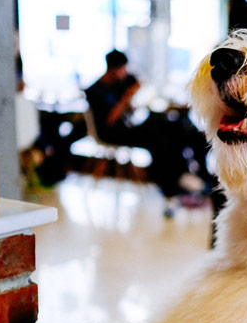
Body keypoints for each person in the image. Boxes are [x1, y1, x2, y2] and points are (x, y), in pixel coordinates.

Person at [85, 50, 221, 210]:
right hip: (112, 134)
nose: (125, 72)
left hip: (127, 128)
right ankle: (181, 178)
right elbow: (109, 121)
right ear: (112, 69)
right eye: (122, 69)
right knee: (159, 136)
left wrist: (131, 96)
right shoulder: (95, 90)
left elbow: (137, 82)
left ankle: (183, 175)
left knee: (165, 125)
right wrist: (126, 98)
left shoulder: (119, 83)